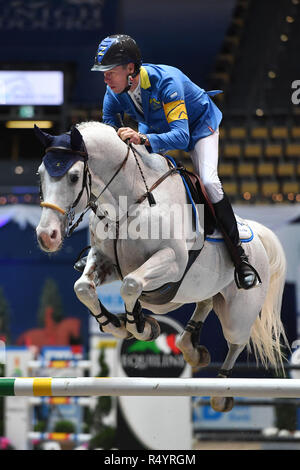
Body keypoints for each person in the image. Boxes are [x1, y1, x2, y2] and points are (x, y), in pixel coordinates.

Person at [91, 34, 259, 290]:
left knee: (209, 182)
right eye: (103, 72)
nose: (105, 78)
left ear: (130, 69)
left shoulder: (166, 82)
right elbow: (109, 126)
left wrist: (142, 137)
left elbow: (182, 137)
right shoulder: (114, 91)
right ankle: (105, 251)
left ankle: (240, 258)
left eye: (110, 71)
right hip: (157, 127)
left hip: (199, 127)